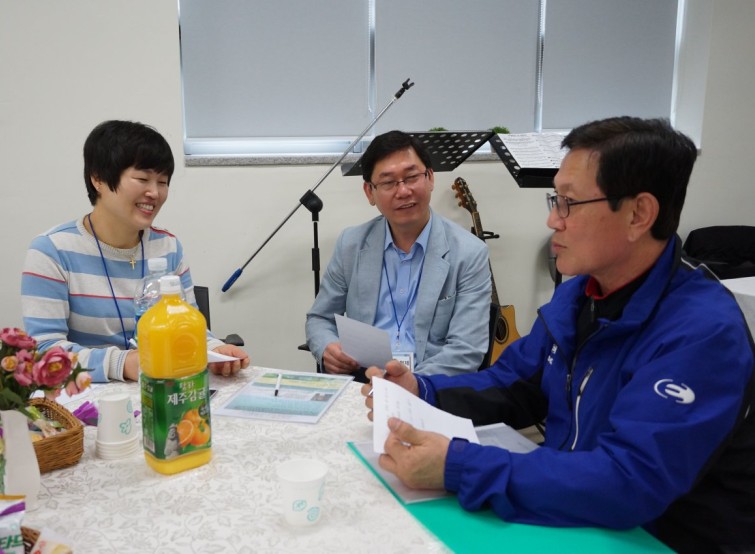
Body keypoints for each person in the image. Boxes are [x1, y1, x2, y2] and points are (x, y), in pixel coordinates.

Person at [362, 117, 755, 553]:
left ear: (638, 214)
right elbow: (514, 382)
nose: (553, 219)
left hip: (659, 537)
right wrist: (423, 391)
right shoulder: (581, 295)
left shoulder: (703, 334)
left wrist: (458, 465)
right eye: (555, 200)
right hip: (573, 510)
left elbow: (629, 480)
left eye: (568, 203)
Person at [21, 120, 249, 383]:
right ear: (98, 179)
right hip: (89, 399)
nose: (155, 193)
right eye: (142, 179)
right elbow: (44, 351)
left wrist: (216, 350)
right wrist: (123, 363)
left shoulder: (167, 247)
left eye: (162, 182)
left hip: (162, 388)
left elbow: (188, 330)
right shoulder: (52, 250)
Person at [305, 130, 493, 381]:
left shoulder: (469, 253)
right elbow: (319, 319)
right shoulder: (351, 245)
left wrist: (411, 384)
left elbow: (466, 350)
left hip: (430, 384)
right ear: (369, 192)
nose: (403, 191)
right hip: (364, 378)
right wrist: (328, 347)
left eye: (412, 177)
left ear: (430, 178)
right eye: (388, 182)